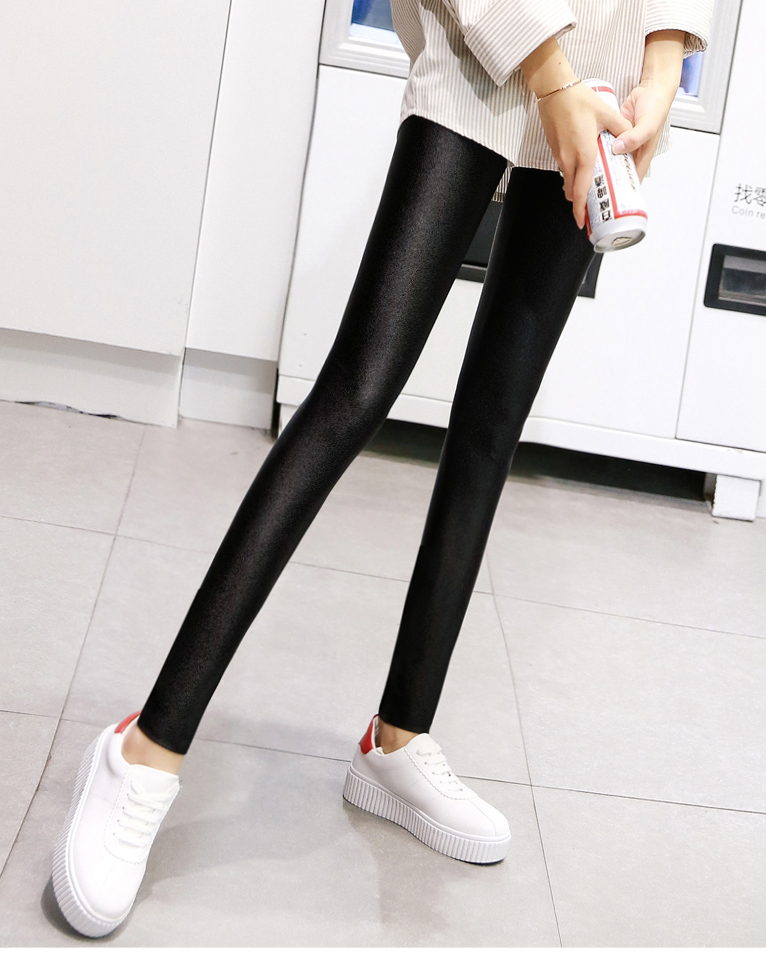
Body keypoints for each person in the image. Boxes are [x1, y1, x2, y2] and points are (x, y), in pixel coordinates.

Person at [51, 0, 712, 938]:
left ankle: (397, 741)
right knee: (353, 395)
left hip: (604, 84)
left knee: (491, 430)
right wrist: (551, 78)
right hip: (488, 50)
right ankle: (145, 748)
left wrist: (662, 67)